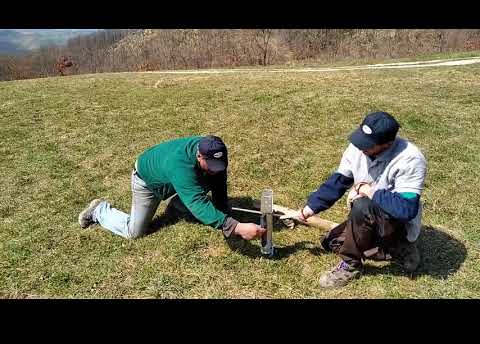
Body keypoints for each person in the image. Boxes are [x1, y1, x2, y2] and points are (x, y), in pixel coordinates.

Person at [297, 112, 427, 288]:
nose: (360, 147)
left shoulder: (410, 158)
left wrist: (370, 191)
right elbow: (338, 181)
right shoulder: (357, 148)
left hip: (397, 223)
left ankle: (352, 264)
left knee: (363, 205)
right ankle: (394, 250)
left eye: (367, 144)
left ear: (387, 144)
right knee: (331, 242)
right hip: (369, 219)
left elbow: (406, 209)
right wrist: (310, 208)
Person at [78, 135, 265, 241]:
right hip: (147, 181)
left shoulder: (212, 154)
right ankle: (99, 211)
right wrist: (235, 227)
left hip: (173, 178)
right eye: (211, 165)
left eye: (220, 164)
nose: (217, 170)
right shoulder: (180, 165)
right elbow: (197, 202)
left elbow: (219, 186)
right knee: (134, 232)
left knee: (211, 178)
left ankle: (176, 202)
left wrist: (223, 213)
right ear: (199, 156)